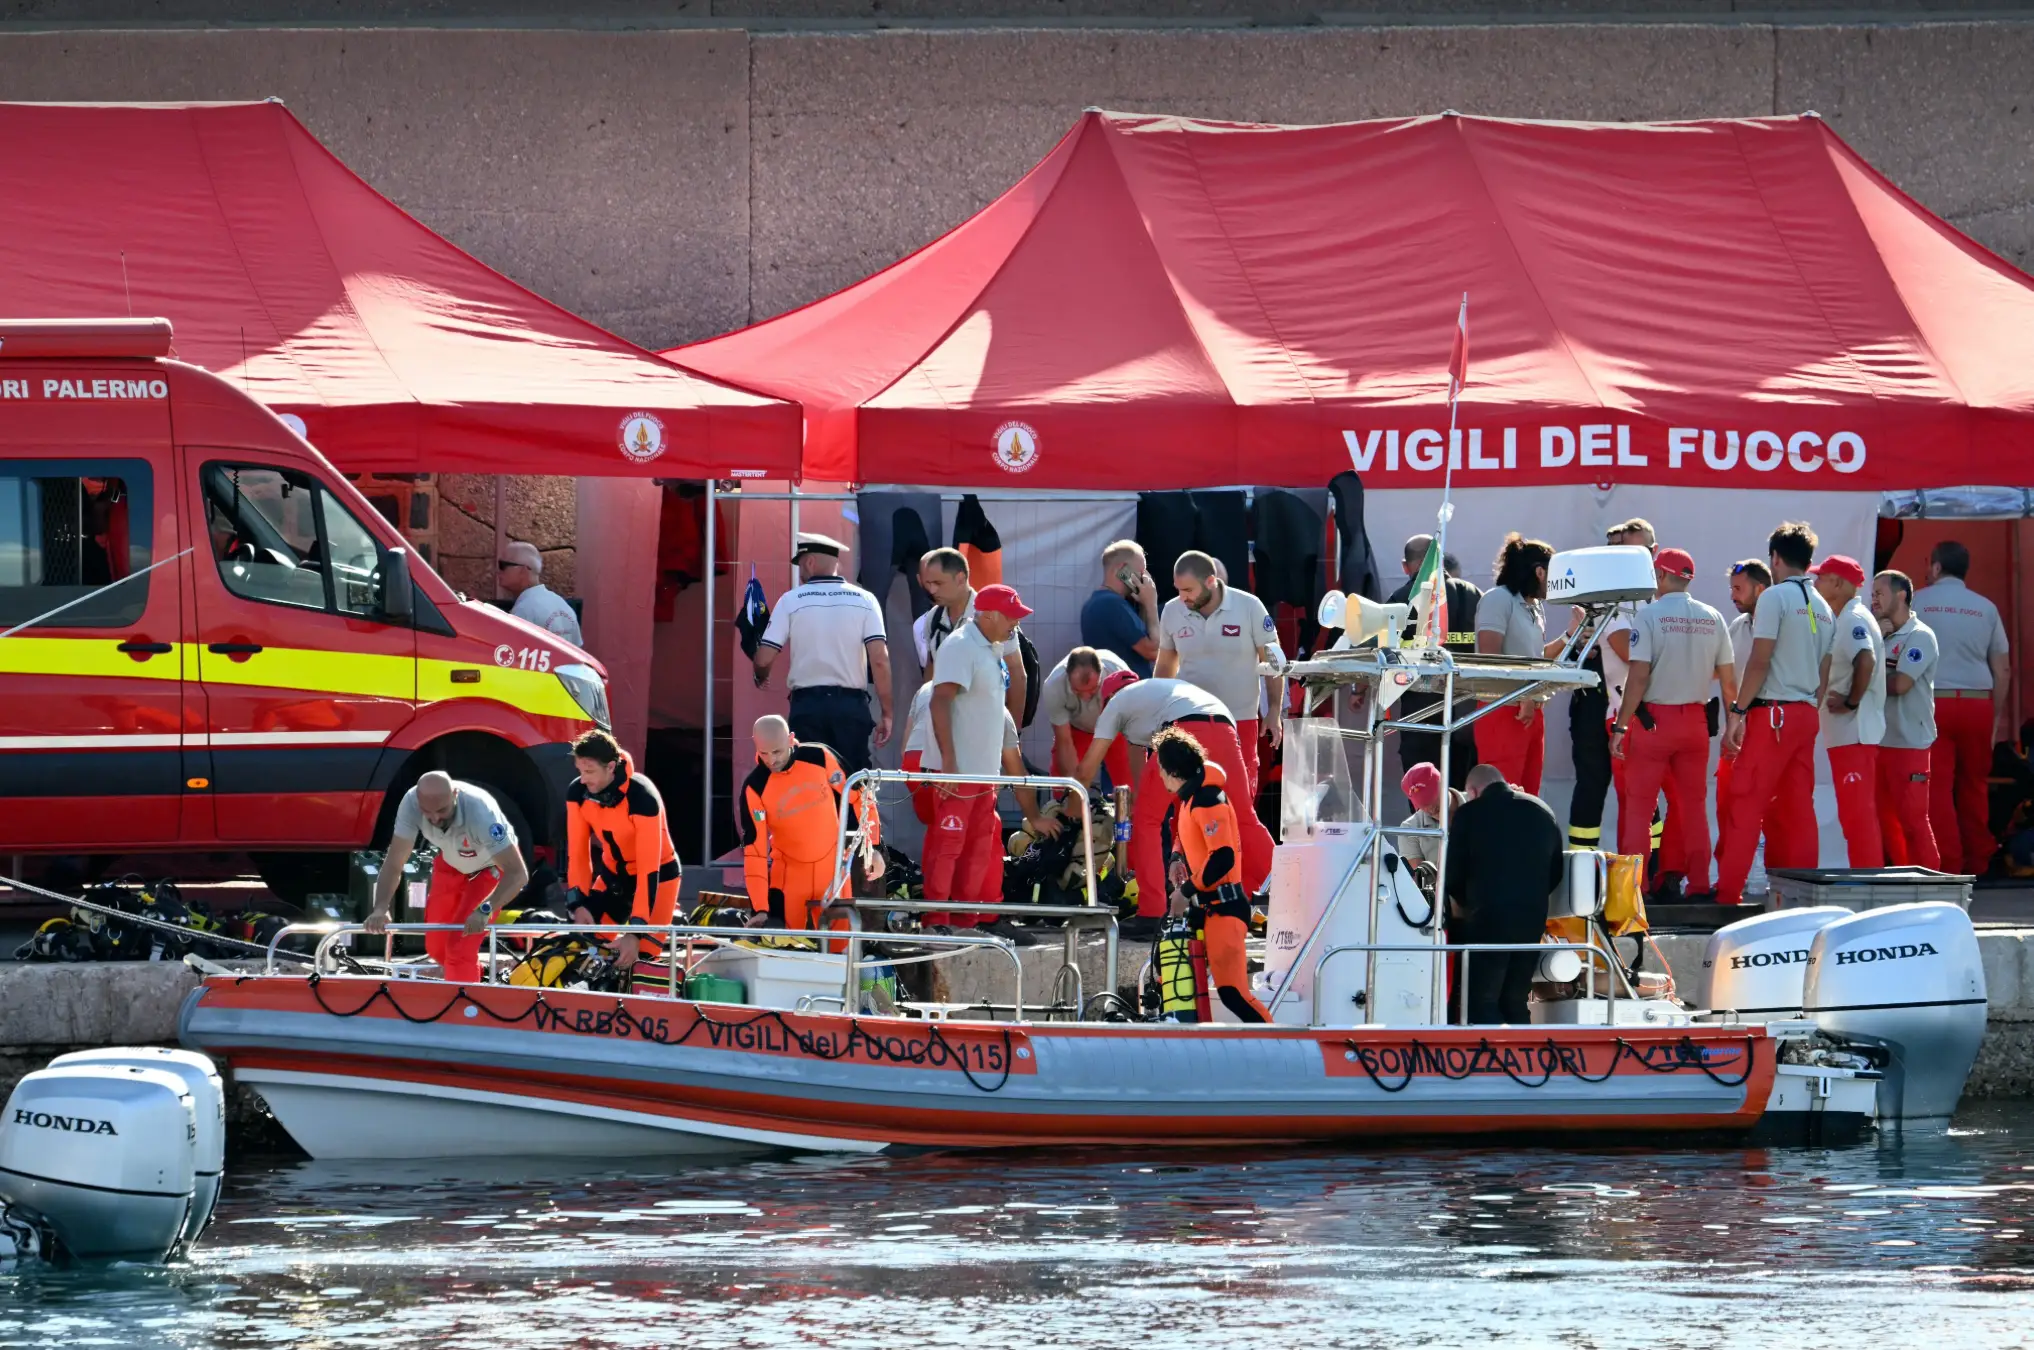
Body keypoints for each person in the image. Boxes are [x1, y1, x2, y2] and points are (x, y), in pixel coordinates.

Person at [1072, 672, 1276, 938]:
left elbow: (1087, 769)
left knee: (1146, 821)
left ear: (1107, 698)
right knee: (1244, 819)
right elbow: (1144, 776)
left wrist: (1070, 806)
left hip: (1184, 727)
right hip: (1224, 725)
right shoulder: (1154, 696)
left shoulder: (1117, 704)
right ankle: (1295, 886)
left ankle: (1152, 913)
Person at [1717, 523, 1834, 906]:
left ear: (1775, 558)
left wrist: (1738, 712)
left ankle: (1728, 894)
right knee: (1797, 810)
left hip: (1773, 715)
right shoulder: (1823, 606)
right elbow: (1825, 670)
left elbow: (1760, 659)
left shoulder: (1774, 598)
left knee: (1746, 802)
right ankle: (1799, 897)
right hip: (1804, 713)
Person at [1611, 547, 1735, 899]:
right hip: (1696, 722)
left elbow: (1638, 676)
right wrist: (1734, 723)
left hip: (1654, 723)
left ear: (1661, 575)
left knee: (1639, 809)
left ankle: (1635, 890)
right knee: (1694, 808)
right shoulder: (1713, 617)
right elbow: (1728, 680)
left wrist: (1621, 726)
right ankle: (1699, 884)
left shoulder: (1649, 616)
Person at [927, 583, 1046, 936]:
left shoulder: (991, 647)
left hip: (983, 775)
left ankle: (966, 921)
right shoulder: (961, 646)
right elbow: (940, 700)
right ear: (990, 615)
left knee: (978, 850)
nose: (1015, 624)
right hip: (960, 773)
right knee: (948, 847)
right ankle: (936, 920)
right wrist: (949, 763)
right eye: (1011, 617)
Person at [750, 532, 895, 783]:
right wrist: (887, 713)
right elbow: (880, 659)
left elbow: (763, 658)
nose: (800, 573)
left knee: (809, 783)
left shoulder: (791, 600)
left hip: (808, 707)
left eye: (800, 565)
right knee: (853, 784)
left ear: (809, 562)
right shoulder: (865, 599)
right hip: (850, 708)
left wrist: (760, 675)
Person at [364, 771, 529, 983]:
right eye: (427, 812)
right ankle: (473, 979)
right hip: (450, 862)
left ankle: (466, 999)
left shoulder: (481, 813)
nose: (434, 818)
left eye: (442, 810)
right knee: (437, 947)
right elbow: (394, 862)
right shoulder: (410, 803)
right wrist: (380, 907)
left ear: (455, 795)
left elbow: (517, 874)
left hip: (490, 868)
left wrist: (485, 909)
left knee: (459, 950)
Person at [1152, 727, 1269, 1023]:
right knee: (1165, 967)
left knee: (1233, 993)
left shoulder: (1208, 799)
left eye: (1161, 768)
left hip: (1225, 908)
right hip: (1207, 909)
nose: (1160, 775)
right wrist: (1176, 858)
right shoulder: (1191, 797)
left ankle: (1278, 1042)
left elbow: (1223, 857)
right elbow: (1187, 834)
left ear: (1173, 771)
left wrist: (1184, 891)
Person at [1570, 519, 1670, 860]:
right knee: (1592, 787)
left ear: (1653, 552)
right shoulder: (1598, 598)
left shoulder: (1658, 600)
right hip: (1595, 705)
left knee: (1643, 796)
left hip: (1641, 709)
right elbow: (1628, 651)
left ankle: (1651, 870)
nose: (1622, 557)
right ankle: (1582, 867)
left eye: (1632, 551)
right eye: (1614, 550)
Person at [1912, 541, 2011, 873]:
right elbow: (2002, 669)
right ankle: (1979, 860)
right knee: (1975, 785)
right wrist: (1994, 719)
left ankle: (1948, 865)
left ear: (1936, 567)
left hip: (1933, 703)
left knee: (1937, 789)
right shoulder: (1986, 608)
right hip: (1978, 703)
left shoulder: (1917, 602)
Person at [1154, 550, 1284, 801]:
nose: (1182, 597)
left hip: (1239, 721)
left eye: (1188, 590)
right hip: (1189, 722)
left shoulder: (1249, 606)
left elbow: (1273, 662)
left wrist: (1275, 710)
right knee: (1187, 801)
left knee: (1240, 802)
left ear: (1211, 581)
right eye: (1178, 590)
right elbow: (1164, 668)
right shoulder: (1171, 611)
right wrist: (1158, 714)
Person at [1444, 763, 1566, 1024]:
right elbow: (1556, 870)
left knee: (1482, 1001)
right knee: (1516, 999)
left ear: (1473, 792)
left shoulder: (1469, 814)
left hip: (1487, 918)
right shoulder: (1543, 811)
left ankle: (1488, 1049)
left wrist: (1470, 904)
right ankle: (1523, 1049)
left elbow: (1452, 876)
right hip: (1531, 919)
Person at [738, 715, 883, 933]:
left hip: (832, 873)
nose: (771, 760)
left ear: (791, 739)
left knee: (841, 948)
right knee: (785, 947)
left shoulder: (820, 757)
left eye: (777, 751)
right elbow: (754, 851)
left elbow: (860, 796)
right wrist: (760, 908)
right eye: (764, 753)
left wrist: (874, 848)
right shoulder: (755, 786)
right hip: (789, 879)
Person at [563, 729, 681, 971]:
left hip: (658, 877)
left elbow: (649, 869)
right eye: (579, 771)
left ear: (611, 767)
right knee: (581, 950)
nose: (583, 779)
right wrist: (578, 904)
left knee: (641, 963)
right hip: (614, 875)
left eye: (589, 771)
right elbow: (578, 854)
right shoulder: (577, 793)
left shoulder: (642, 796)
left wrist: (636, 932)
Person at [1474, 533, 1578, 795]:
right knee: (1502, 799)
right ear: (1540, 572)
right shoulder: (1497, 599)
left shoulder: (1535, 607)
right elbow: (1490, 659)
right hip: (1502, 711)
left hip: (1529, 711)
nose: (1558, 584)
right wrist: (1524, 696)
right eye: (1554, 575)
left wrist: (1570, 634)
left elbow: (1536, 657)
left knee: (1528, 798)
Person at [1386, 532, 1482, 790]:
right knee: (1463, 796)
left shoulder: (1400, 599)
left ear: (1406, 566)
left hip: (1421, 717)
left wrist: (1359, 689)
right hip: (1467, 715)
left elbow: (1383, 654)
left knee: (1423, 797)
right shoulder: (1474, 594)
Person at [1813, 555, 1886, 868]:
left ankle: (1867, 880)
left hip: (1854, 732)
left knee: (1857, 815)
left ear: (1839, 584)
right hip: (1848, 734)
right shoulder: (1845, 617)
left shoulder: (1853, 619)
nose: (1816, 584)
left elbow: (1866, 659)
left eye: (1821, 578)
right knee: (1854, 813)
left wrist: (1850, 702)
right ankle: (1864, 877)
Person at [1874, 570, 1944, 870]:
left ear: (1901, 595)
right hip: (1880, 741)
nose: (1874, 600)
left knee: (1914, 821)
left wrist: (1866, 679)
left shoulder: (1920, 636)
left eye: (1880, 593)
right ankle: (1903, 883)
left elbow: (1901, 684)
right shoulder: (1879, 634)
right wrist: (1876, 639)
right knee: (1885, 823)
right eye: (1872, 594)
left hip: (1909, 743)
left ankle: (1932, 886)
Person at [915, 547, 1026, 727]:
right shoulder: (933, 618)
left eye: (938, 583)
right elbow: (931, 670)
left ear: (960, 579)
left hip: (985, 726)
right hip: (947, 725)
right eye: (928, 583)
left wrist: (1013, 730)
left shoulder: (991, 614)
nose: (932, 590)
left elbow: (1017, 675)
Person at [1042, 645, 1130, 781]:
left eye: (1092, 690)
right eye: (1077, 691)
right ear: (1067, 675)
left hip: (1118, 729)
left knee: (1132, 785)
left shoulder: (1120, 677)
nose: (1085, 698)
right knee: (1065, 785)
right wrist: (1074, 787)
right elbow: (1064, 741)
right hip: (1078, 730)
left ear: (1102, 674)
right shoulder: (1054, 686)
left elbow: (1135, 733)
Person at [1080, 539, 1160, 678]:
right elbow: (1153, 652)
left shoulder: (1096, 602)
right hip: (1129, 686)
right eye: (1141, 572)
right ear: (1121, 569)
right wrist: (1151, 604)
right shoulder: (1111, 604)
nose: (1144, 579)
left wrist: (1144, 604)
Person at [498, 540, 584, 647]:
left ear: (523, 570)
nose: (498, 571)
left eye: (502, 565)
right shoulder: (563, 605)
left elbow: (512, 651)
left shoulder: (524, 611)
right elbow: (577, 649)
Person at [1396, 761, 1462, 868]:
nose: (1430, 808)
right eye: (1423, 804)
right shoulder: (1409, 829)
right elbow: (1419, 877)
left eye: (1431, 798)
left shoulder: (1479, 803)